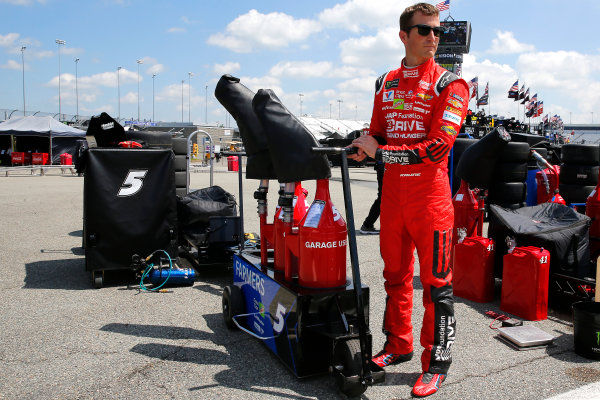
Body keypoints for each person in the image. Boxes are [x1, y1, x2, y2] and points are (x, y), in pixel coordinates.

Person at [349, 3, 469, 397]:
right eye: (424, 30)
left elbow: (437, 149)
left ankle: (437, 361)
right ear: (404, 35)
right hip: (395, 200)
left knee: (436, 285)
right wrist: (364, 147)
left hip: (430, 202)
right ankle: (397, 345)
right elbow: (379, 133)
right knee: (394, 279)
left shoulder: (451, 85)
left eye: (438, 32)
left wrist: (381, 153)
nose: (434, 37)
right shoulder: (385, 81)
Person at [360, 160, 384, 234]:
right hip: (385, 166)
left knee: (384, 197)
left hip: (384, 165)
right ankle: (367, 225)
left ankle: (368, 224)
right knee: (383, 197)